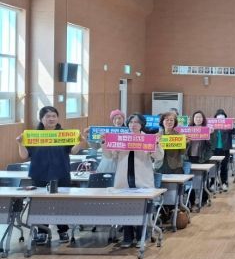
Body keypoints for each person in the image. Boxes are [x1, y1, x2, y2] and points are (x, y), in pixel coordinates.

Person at [16, 106, 88, 244]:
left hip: (61, 173)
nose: (51, 119)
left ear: (57, 118)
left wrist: (80, 142)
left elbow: (73, 151)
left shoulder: (64, 134)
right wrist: (20, 143)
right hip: (39, 173)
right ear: (41, 119)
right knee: (40, 203)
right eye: (47, 116)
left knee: (62, 203)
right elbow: (24, 155)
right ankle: (42, 231)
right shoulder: (32, 135)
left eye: (54, 116)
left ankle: (63, 230)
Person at [103, 113, 164, 247]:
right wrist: (105, 142)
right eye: (131, 122)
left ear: (142, 125)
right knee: (125, 208)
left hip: (142, 179)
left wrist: (156, 144)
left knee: (141, 208)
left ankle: (142, 236)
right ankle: (127, 237)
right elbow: (109, 155)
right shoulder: (121, 138)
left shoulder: (147, 138)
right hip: (124, 178)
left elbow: (159, 156)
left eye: (136, 122)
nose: (133, 125)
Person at [185, 110, 214, 206]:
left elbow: (211, 146)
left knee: (203, 179)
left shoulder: (207, 130)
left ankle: (204, 199)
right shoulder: (187, 130)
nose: (198, 119)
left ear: (203, 119)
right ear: (193, 119)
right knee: (191, 179)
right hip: (189, 157)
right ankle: (191, 199)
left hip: (202, 158)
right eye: (196, 117)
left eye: (200, 117)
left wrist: (211, 135)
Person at [211, 108, 235, 191]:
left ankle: (224, 183)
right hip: (214, 149)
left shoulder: (228, 126)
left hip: (225, 149)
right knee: (213, 167)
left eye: (222, 118)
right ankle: (212, 183)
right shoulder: (212, 126)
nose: (220, 121)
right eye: (218, 118)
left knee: (224, 166)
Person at [94, 109, 126, 173]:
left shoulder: (129, 132)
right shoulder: (106, 132)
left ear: (123, 119)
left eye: (119, 118)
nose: (117, 121)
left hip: (123, 164)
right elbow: (96, 146)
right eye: (114, 119)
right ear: (112, 121)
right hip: (107, 164)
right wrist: (89, 136)